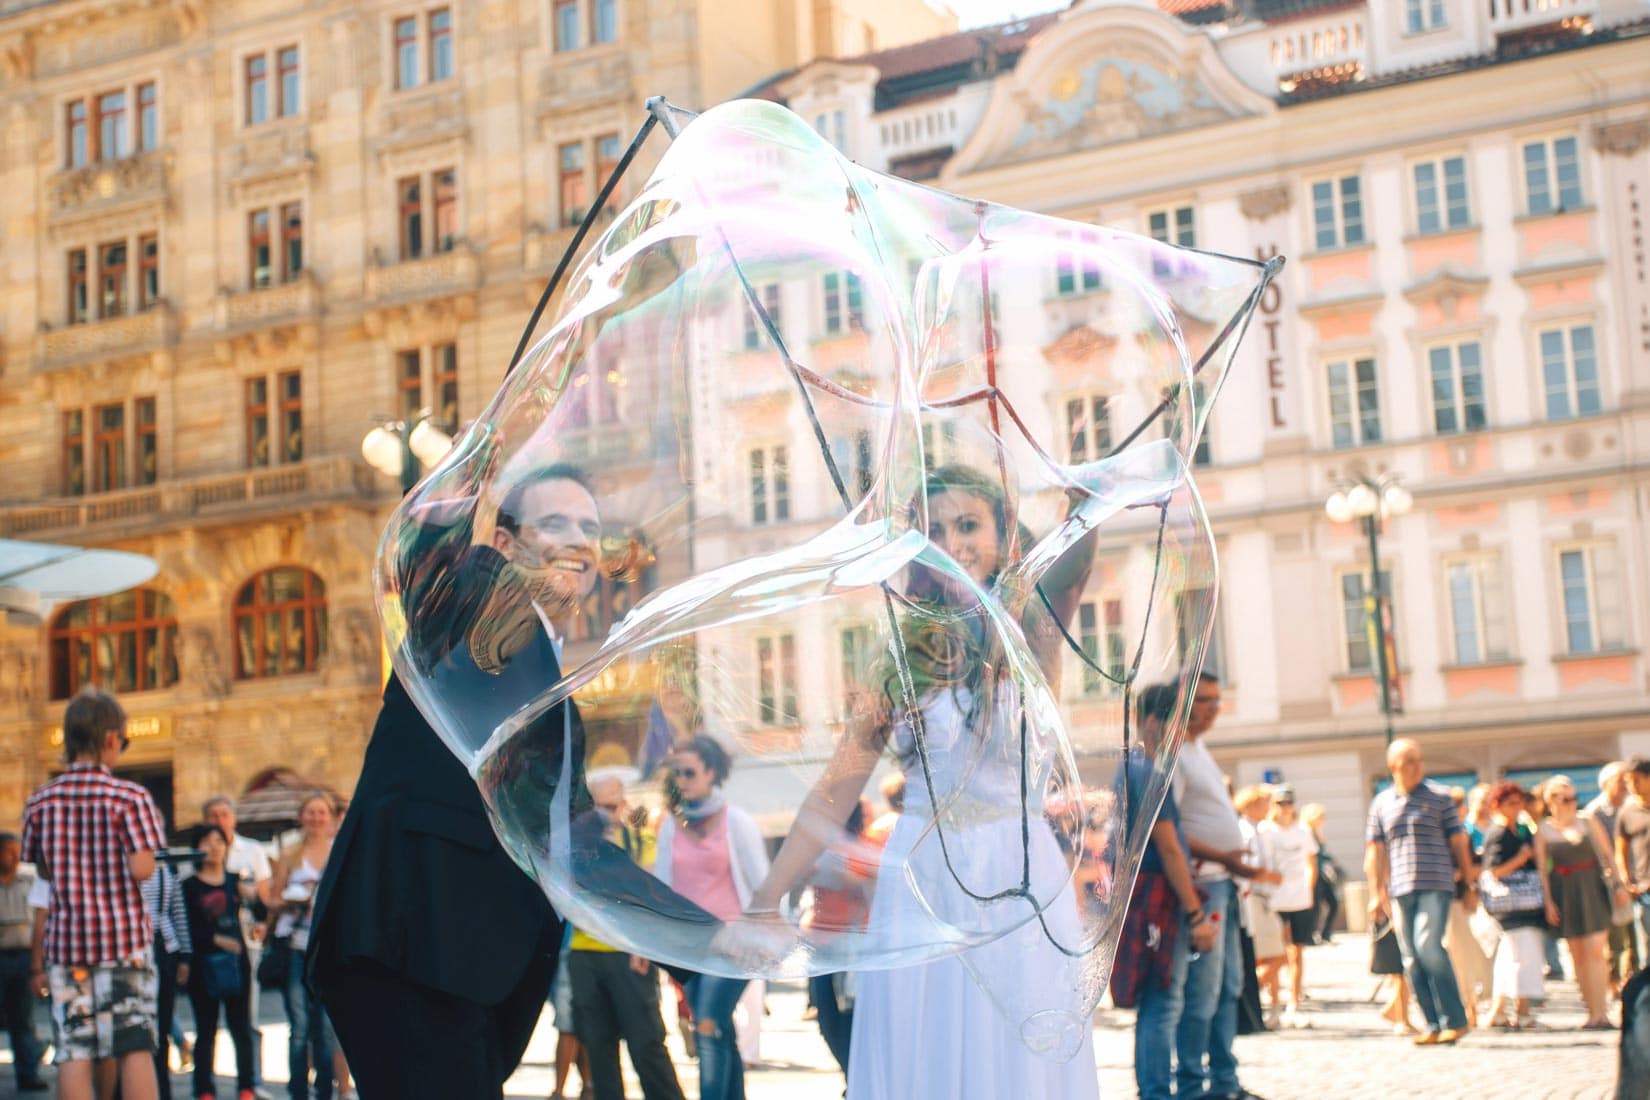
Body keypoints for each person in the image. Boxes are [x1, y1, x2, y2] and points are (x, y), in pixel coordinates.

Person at [738, 465, 1103, 1100]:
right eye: (933, 529)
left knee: (1020, 1059)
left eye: (969, 525)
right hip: (923, 875)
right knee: (925, 1060)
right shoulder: (897, 657)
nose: (953, 541)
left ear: (1003, 534)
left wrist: (1086, 507)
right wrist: (767, 897)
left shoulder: (1032, 628)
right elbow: (835, 789)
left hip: (1020, 879)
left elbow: (1074, 572)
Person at [310, 465, 605, 1098]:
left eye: (591, 527)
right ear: (501, 546)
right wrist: (471, 463)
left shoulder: (560, 703)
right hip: (409, 947)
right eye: (555, 523)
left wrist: (711, 939)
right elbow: (424, 558)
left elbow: (584, 848)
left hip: (470, 968)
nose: (580, 540)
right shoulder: (470, 606)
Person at [22, 686, 166, 1100]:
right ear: (109, 740)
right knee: (134, 1044)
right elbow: (141, 868)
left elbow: (43, 868)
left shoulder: (40, 801)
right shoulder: (130, 797)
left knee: (75, 1048)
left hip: (67, 945)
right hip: (122, 940)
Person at [1115, 683, 1219, 1100]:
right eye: (1178, 722)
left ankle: (1155, 1089)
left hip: (1143, 894)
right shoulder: (1148, 771)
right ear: (1155, 721)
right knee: (1163, 999)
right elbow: (1170, 848)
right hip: (1158, 896)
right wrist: (1196, 915)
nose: (1182, 732)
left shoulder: (1131, 767)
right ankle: (1156, 1091)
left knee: (1156, 999)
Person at [1172, 672, 1271, 1100]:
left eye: (1217, 700)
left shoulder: (1200, 748)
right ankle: (1193, 1081)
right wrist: (1223, 857)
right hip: (1204, 886)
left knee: (1230, 986)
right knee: (1203, 993)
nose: (1214, 708)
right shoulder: (1174, 753)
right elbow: (1168, 830)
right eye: (1206, 700)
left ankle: (1225, 1079)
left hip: (1224, 885)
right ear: (1185, 702)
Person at [653, 737, 770, 1100]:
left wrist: (756, 938)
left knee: (706, 1026)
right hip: (689, 949)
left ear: (712, 773)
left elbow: (764, 886)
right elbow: (661, 890)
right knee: (717, 1028)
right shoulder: (671, 826)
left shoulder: (736, 821)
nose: (682, 780)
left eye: (690, 773)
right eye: (677, 773)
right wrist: (647, 942)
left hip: (733, 946)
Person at [568, 765, 684, 1100]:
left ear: (624, 803)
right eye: (598, 807)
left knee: (647, 1044)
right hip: (585, 954)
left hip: (629, 956)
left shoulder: (641, 840)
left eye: (612, 806)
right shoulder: (577, 846)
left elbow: (650, 896)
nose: (606, 814)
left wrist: (643, 947)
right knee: (599, 1048)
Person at [1364, 738, 1476, 1045]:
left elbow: (1459, 844)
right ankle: (1433, 1024)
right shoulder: (1382, 802)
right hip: (1400, 887)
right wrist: (1376, 892)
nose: (1416, 766)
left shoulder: (1440, 797)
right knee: (1411, 957)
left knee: (1428, 946)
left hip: (1435, 883)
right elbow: (1375, 851)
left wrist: (1468, 884)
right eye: (1409, 761)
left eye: (1418, 760)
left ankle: (1456, 1019)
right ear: (1393, 767)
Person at [269, 793, 348, 1099]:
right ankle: (299, 1091)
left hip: (326, 947)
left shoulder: (338, 852)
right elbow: (273, 900)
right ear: (302, 817)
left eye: (322, 812)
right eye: (311, 812)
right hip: (296, 948)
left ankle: (324, 1091)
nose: (316, 818)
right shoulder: (290, 854)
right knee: (299, 1026)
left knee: (325, 1029)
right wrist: (291, 900)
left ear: (330, 818)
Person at [1540, 774, 1627, 1030]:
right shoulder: (1544, 830)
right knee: (1577, 955)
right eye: (1565, 799)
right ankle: (1590, 1011)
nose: (1570, 803)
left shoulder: (1588, 821)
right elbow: (1544, 870)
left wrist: (1619, 885)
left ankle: (1602, 1012)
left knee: (1596, 951)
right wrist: (1548, 902)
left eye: (1573, 798)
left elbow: (1609, 855)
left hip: (1592, 888)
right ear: (1551, 801)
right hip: (1564, 893)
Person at [201, 795, 273, 1096]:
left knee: (246, 1018)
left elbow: (264, 899)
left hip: (244, 944)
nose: (220, 820)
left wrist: (261, 915)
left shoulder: (252, 851)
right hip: (208, 949)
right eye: (214, 815)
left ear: (234, 818)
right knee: (208, 1023)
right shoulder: (197, 860)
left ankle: (251, 1082)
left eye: (225, 814)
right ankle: (206, 1085)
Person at [183, 825, 257, 1100]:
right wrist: (216, 939)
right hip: (204, 965)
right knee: (206, 1029)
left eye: (219, 841)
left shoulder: (236, 880)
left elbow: (259, 914)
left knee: (241, 1026)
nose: (214, 847)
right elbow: (188, 927)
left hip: (236, 963)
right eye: (207, 841)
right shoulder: (189, 886)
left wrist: (251, 895)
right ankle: (204, 1089)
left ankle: (246, 1086)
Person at [1478, 782, 1553, 1030]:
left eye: (1519, 801)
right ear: (1497, 805)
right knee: (1522, 958)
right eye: (1511, 803)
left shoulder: (1520, 829)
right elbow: (1494, 871)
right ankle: (1521, 1013)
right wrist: (1521, 858)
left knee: (1513, 957)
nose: (1517, 807)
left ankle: (1502, 1011)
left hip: (1524, 906)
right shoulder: (1498, 832)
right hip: (1512, 906)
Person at [1258, 784, 1317, 1028]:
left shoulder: (1303, 830)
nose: (1286, 808)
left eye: (1289, 803)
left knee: (1296, 952)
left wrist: (1310, 888)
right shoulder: (1266, 830)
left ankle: (1294, 1003)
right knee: (1276, 953)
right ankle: (1273, 1004)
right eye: (1281, 803)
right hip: (1276, 898)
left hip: (1299, 897)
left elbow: (1311, 860)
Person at [140, 856, 190, 1098]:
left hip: (164, 948)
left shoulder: (167, 866)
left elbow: (177, 910)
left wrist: (185, 955)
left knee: (161, 1028)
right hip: (132, 950)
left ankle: (162, 1089)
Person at [1233, 787, 1283, 1027]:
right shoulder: (1243, 831)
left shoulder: (1262, 831)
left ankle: (1270, 1005)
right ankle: (1250, 996)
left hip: (1265, 897)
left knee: (1273, 954)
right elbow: (1247, 868)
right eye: (1264, 803)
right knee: (1274, 955)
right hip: (1252, 896)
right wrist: (1265, 876)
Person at [0, 831, 47, 1091]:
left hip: (23, 954)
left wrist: (37, 965)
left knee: (23, 1019)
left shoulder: (29, 880)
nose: (15, 857)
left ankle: (28, 1072)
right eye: (9, 851)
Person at [1588, 762, 1639, 993]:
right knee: (1617, 939)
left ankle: (1635, 980)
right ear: (1606, 784)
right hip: (1610, 883)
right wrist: (1618, 883)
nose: (1625, 786)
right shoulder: (1594, 813)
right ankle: (1615, 983)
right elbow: (1602, 854)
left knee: (1636, 938)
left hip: (1638, 878)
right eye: (1620, 781)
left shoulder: (1633, 806)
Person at [1619, 758, 1650, 979]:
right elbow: (1620, 850)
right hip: (1643, 889)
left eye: (1636, 780)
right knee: (1646, 943)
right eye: (1628, 782)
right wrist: (1626, 880)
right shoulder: (1627, 813)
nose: (1632, 786)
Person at [1299, 803, 1342, 944]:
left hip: (1321, 874)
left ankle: (1325, 933)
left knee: (1332, 903)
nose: (1323, 820)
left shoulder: (1316, 832)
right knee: (1313, 905)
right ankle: (1309, 935)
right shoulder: (1305, 831)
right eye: (1321, 817)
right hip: (1312, 873)